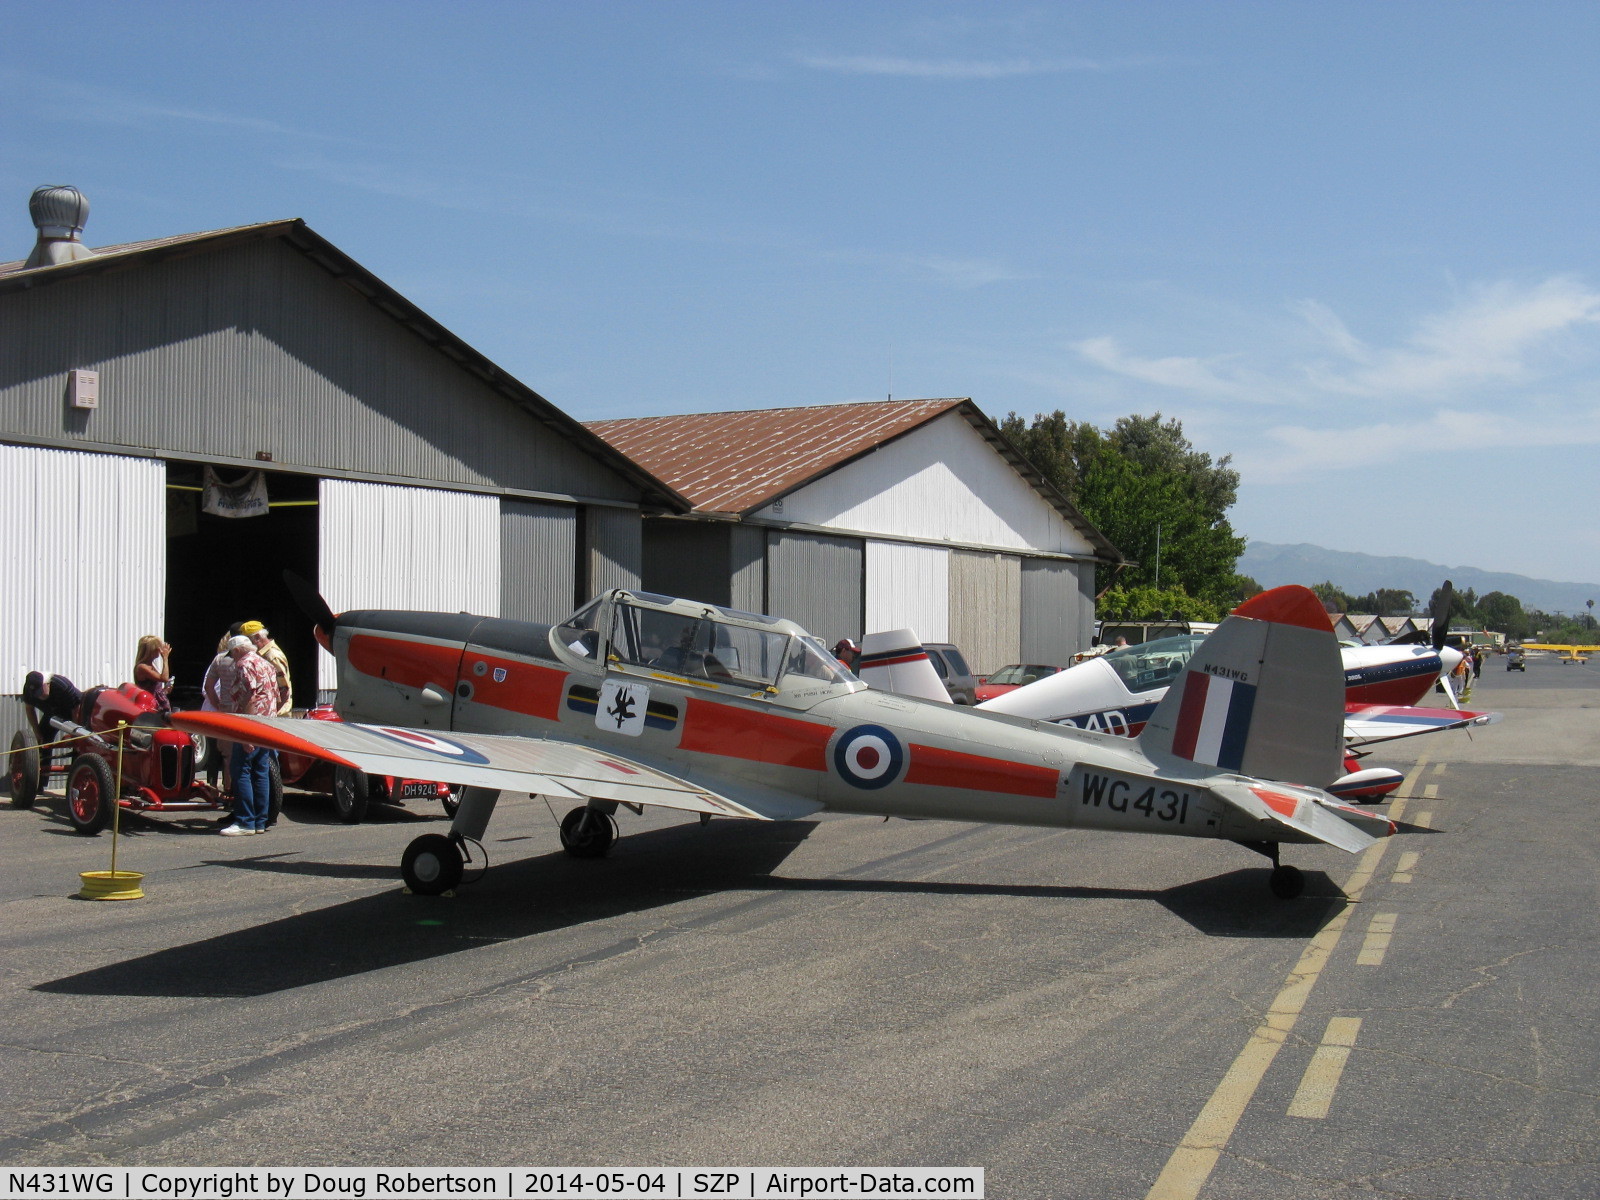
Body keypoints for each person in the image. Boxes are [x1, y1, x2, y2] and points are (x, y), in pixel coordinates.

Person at [213, 635, 279, 836]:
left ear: (237, 650)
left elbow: (249, 696)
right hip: (268, 724)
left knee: (240, 769)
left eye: (232, 654)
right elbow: (276, 693)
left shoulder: (244, 664)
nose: (232, 658)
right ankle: (260, 820)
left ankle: (245, 821)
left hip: (251, 724)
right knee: (260, 772)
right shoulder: (266, 664)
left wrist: (245, 732)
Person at [239, 620, 292, 715]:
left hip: (278, 714)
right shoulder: (260, 654)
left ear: (257, 638)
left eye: (248, 641)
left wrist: (272, 712)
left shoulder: (272, 656)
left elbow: (285, 690)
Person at [21, 671, 83, 741]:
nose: (40, 696)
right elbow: (29, 709)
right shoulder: (28, 691)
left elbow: (76, 708)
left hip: (76, 711)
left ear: (47, 684)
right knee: (42, 740)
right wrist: (36, 731)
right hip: (52, 712)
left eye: (41, 691)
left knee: (80, 739)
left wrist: (74, 733)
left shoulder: (63, 685)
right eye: (36, 694)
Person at [133, 636, 173, 713]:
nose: (160, 651)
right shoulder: (142, 667)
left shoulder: (150, 665)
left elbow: (154, 690)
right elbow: (164, 678)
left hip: (159, 707)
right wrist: (165, 658)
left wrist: (165, 691)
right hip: (151, 708)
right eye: (158, 649)